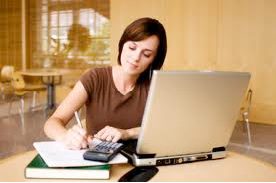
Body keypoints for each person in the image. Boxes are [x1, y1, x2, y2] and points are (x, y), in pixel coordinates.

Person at [44, 17, 167, 150]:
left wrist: (128, 133)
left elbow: (167, 128)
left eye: (146, 54)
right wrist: (65, 136)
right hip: (98, 161)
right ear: (122, 44)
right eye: (132, 47)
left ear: (154, 60)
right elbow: (52, 122)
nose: (136, 57)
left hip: (138, 163)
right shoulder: (95, 78)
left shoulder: (155, 86)